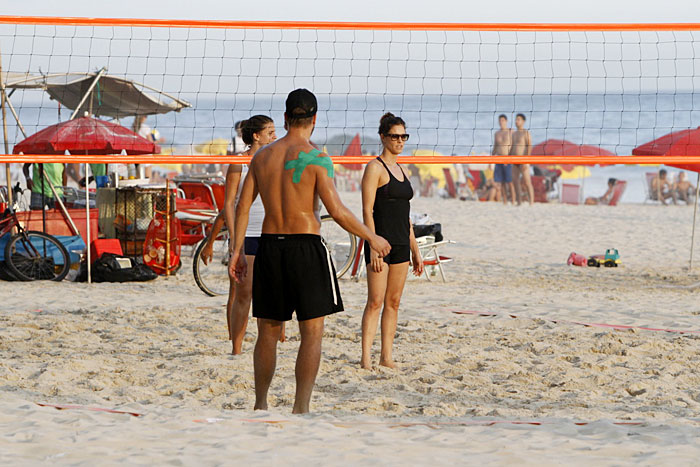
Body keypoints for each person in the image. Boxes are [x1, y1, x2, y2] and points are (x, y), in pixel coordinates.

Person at [230, 89, 390, 414]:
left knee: (267, 332)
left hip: (269, 247)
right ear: (314, 120)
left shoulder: (261, 157)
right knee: (312, 332)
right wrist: (372, 237)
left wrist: (236, 251)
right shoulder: (317, 158)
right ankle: (300, 407)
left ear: (286, 117)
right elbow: (339, 211)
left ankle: (260, 404)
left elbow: (242, 206)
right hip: (305, 247)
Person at [201, 115, 278, 354]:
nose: (274, 136)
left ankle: (277, 340)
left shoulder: (274, 159)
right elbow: (229, 205)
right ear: (256, 136)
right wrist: (236, 240)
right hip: (248, 234)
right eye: (270, 132)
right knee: (242, 292)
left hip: (271, 232)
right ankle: (236, 348)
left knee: (274, 292)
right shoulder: (239, 163)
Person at [360, 113, 423, 370]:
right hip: (380, 243)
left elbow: (405, 215)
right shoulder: (374, 168)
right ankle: (366, 358)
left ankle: (386, 356)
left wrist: (415, 249)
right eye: (395, 136)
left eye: (403, 136)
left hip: (400, 243)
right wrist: (373, 245)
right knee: (375, 301)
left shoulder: (403, 169)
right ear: (383, 137)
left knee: (393, 302)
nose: (400, 140)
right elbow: (366, 210)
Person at [510, 113, 534, 205]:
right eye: (516, 119)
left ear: (523, 121)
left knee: (527, 182)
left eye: (518, 119)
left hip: (523, 160)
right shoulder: (514, 134)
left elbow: (529, 147)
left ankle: (531, 202)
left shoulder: (526, 133)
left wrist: (526, 161)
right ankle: (519, 201)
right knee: (515, 182)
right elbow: (512, 147)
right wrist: (509, 159)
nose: (516, 121)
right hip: (514, 161)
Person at [492, 114, 515, 204]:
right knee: (501, 183)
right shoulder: (497, 133)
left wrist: (510, 158)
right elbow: (495, 147)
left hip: (508, 159)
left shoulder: (511, 132)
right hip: (498, 159)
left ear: (506, 121)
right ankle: (505, 200)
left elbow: (514, 146)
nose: (501, 122)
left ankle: (513, 200)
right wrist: (491, 159)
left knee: (510, 182)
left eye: (502, 120)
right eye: (500, 121)